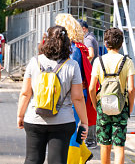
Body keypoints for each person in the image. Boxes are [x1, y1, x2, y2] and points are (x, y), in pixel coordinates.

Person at [17, 25, 88, 164]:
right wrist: (84, 122)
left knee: (32, 159)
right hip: (63, 121)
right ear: (67, 42)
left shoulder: (34, 62)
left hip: (34, 119)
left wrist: (20, 115)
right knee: (58, 161)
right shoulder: (72, 65)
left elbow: (25, 93)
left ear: (46, 40)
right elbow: (78, 98)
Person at [89, 28, 135, 164]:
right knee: (119, 145)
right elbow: (131, 89)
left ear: (106, 43)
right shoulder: (127, 62)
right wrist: (129, 107)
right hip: (121, 107)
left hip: (102, 106)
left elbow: (92, 87)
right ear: (121, 44)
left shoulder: (99, 61)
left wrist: (94, 104)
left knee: (104, 144)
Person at [55, 13, 95, 163]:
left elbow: (71, 76)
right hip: (72, 95)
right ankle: (83, 152)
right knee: (70, 129)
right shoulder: (74, 48)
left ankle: (74, 160)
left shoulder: (73, 49)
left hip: (73, 96)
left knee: (70, 131)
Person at [78, 19, 99, 149]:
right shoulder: (92, 37)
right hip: (92, 75)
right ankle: (91, 138)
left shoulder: (87, 39)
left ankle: (90, 139)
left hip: (90, 76)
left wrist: (83, 63)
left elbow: (90, 54)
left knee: (88, 109)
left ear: (84, 29)